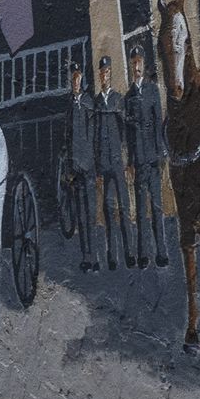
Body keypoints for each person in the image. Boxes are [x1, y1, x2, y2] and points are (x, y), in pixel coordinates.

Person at [124, 49, 170, 267]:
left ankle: (161, 252)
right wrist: (131, 161)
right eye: (133, 63)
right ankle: (144, 254)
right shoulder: (128, 96)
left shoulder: (152, 91)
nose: (136, 66)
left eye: (139, 62)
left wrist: (161, 154)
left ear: (144, 64)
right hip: (139, 161)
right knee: (141, 210)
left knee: (157, 207)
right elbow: (128, 135)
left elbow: (159, 124)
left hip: (152, 158)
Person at [93, 56, 136, 269]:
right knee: (108, 210)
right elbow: (94, 137)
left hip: (118, 162)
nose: (104, 76)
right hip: (103, 164)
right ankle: (112, 255)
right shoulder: (97, 102)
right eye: (101, 73)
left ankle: (129, 253)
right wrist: (97, 168)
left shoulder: (118, 99)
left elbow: (125, 133)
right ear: (99, 76)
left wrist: (128, 161)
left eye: (107, 72)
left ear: (111, 74)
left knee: (124, 208)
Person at [67, 62, 98, 271]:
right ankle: (86, 257)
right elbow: (67, 137)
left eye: (78, 77)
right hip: (75, 168)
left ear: (82, 79)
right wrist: (69, 167)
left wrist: (94, 163)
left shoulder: (88, 103)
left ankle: (94, 257)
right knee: (81, 215)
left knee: (91, 214)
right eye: (72, 79)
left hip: (89, 166)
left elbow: (94, 135)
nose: (75, 82)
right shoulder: (69, 106)